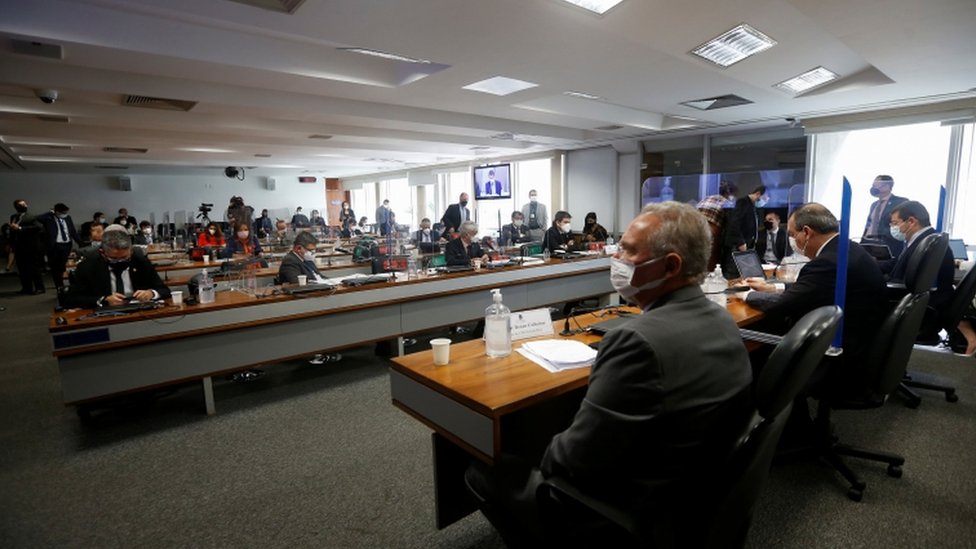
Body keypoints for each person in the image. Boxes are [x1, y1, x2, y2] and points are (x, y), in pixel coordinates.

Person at [465, 202, 753, 547]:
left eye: (628, 250)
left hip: (627, 514)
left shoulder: (637, 341)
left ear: (671, 265)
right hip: (693, 494)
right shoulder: (721, 319)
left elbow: (567, 463)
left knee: (482, 469)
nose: (616, 257)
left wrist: (543, 442)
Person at [745, 203, 887, 391]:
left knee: (756, 351)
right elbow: (812, 288)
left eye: (794, 235)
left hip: (840, 352)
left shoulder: (827, 262)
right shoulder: (847, 249)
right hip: (863, 341)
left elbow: (782, 305)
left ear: (807, 232)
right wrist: (772, 287)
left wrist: (746, 295)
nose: (793, 241)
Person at [885, 201, 954, 343]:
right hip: (923, 305)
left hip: (920, 309)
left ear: (911, 221)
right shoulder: (924, 240)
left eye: (895, 223)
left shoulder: (926, 244)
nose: (893, 227)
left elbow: (908, 281)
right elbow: (898, 264)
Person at [63, 229, 171, 309]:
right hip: (105, 314)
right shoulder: (88, 266)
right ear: (102, 253)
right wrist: (103, 300)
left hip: (139, 311)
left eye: (124, 257)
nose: (120, 261)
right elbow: (71, 299)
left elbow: (164, 290)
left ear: (131, 251)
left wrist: (151, 293)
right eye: (113, 258)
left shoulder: (141, 262)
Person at [724, 185, 768, 276]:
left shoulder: (752, 206)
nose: (765, 201)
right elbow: (734, 223)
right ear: (758, 194)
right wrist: (740, 242)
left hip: (747, 246)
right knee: (735, 275)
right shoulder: (743, 202)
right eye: (764, 198)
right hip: (738, 246)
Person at [863, 175, 908, 258]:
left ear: (887, 186)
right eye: (873, 185)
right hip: (869, 243)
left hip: (888, 245)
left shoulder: (900, 202)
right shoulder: (874, 205)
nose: (873, 188)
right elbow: (869, 225)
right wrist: (863, 241)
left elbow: (902, 224)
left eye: (876, 185)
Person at [40, 202, 81, 291]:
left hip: (66, 244)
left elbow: (73, 231)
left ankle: (67, 284)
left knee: (62, 266)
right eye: (63, 212)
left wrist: (80, 242)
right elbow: (38, 218)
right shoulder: (49, 218)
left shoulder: (68, 218)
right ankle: (59, 286)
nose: (64, 214)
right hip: (54, 246)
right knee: (55, 267)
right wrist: (50, 212)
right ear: (57, 212)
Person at [697, 180, 737, 270]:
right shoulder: (728, 204)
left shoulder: (706, 198)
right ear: (730, 194)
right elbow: (730, 229)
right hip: (711, 235)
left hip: (694, 232)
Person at [9, 199, 46, 295]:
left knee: (34, 268)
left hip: (31, 247)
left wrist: (20, 228)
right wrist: (11, 244)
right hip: (19, 247)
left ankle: (40, 288)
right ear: (16, 207)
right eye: (21, 205)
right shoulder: (13, 217)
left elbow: (39, 227)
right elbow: (13, 231)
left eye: (24, 204)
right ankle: (26, 288)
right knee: (22, 269)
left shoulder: (31, 217)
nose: (24, 206)